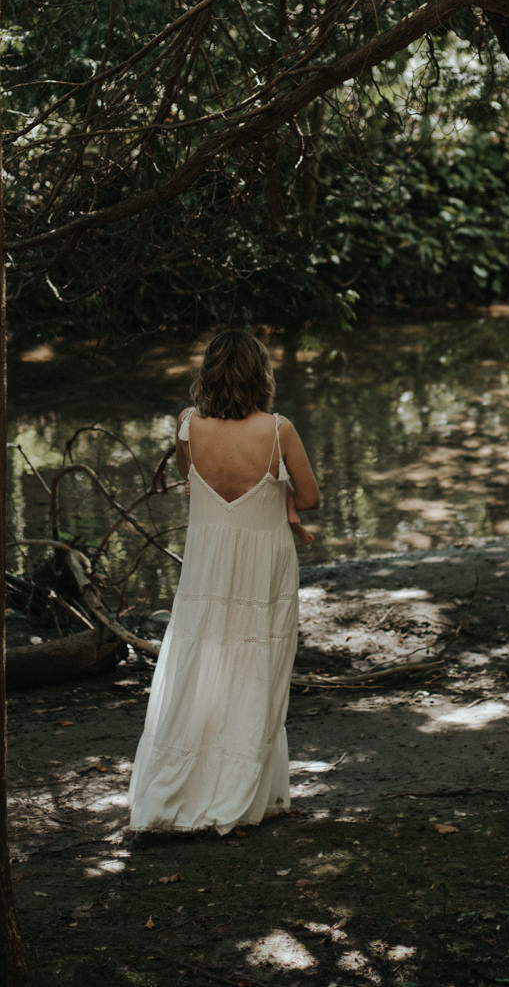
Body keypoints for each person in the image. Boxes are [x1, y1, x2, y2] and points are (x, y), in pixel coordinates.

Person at [127, 329, 320, 836]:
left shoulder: (188, 426)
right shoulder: (279, 430)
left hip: (208, 568)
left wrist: (275, 499)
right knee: (256, 667)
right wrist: (287, 504)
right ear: (261, 374)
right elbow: (311, 494)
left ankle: (178, 789)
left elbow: (198, 482)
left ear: (208, 373)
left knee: (202, 666)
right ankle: (242, 792)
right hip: (262, 565)